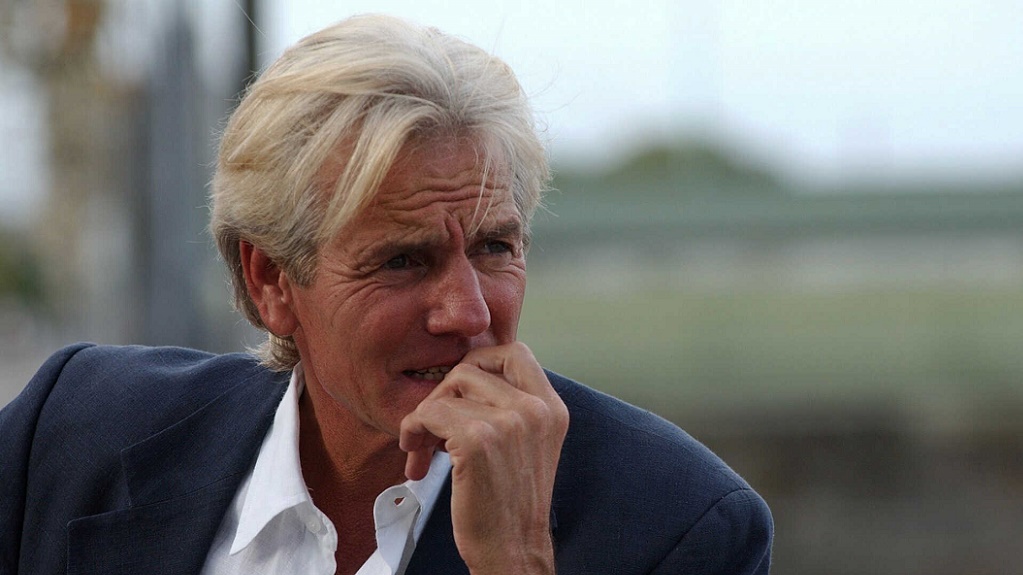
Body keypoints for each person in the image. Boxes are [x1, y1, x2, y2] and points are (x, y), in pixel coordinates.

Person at [0, 14, 773, 575]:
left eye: (494, 248)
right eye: (402, 260)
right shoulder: (74, 434)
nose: (469, 311)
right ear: (270, 281)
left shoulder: (676, 524)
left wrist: (514, 560)